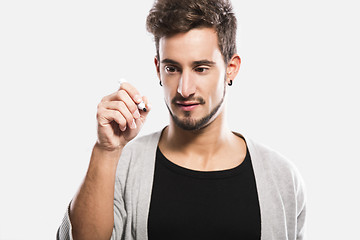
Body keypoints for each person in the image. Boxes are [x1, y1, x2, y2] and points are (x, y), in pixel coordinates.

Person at [57, 0, 306, 239]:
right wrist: (106, 150)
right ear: (158, 69)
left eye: (201, 68)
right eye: (172, 68)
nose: (184, 89)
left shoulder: (281, 177)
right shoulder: (122, 166)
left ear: (231, 67)